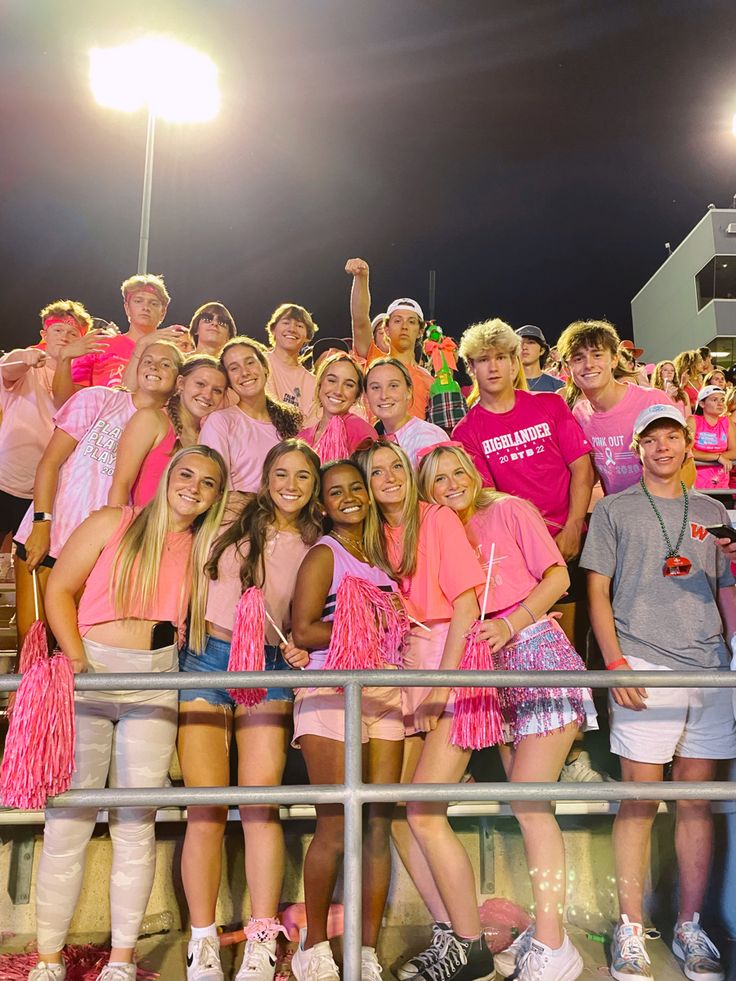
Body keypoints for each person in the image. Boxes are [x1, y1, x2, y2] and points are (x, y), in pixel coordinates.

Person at [26, 445, 227, 981]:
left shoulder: (205, 547)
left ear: (216, 497)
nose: (194, 488)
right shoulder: (114, 521)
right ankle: (48, 958)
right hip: (90, 672)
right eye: (186, 474)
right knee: (68, 820)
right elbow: (60, 589)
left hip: (155, 680)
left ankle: (121, 960)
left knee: (136, 825)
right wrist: (75, 659)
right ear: (166, 475)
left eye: (209, 483)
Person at [417, 442, 596, 981]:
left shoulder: (509, 509)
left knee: (530, 803)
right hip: (490, 671)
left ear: (473, 472)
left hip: (535, 653)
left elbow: (560, 579)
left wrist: (511, 624)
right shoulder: (443, 532)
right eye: (437, 480)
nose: (451, 484)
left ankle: (554, 943)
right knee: (524, 804)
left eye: (457, 473)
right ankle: (544, 939)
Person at [581, 403, 736, 981]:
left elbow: (726, 589)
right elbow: (597, 591)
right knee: (638, 803)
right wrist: (617, 664)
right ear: (637, 447)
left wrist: (733, 652)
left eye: (673, 437)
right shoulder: (614, 509)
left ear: (688, 444)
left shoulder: (712, 509)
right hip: (644, 665)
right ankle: (628, 929)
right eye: (652, 438)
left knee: (695, 805)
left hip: (709, 667)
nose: (663, 447)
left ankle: (689, 926)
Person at [178, 440, 322, 981]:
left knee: (261, 806)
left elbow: (310, 618)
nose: (290, 484)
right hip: (207, 658)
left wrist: (300, 649)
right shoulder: (230, 514)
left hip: (269, 667)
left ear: (313, 487)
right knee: (207, 807)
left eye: (303, 477)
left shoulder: (316, 541)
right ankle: (202, 941)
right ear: (264, 477)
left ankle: (262, 938)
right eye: (281, 473)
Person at [353, 440, 493, 981]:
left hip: (444, 660)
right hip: (402, 664)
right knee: (399, 816)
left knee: (425, 813)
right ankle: (451, 931)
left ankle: (473, 946)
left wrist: (442, 685)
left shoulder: (435, 517)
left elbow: (464, 605)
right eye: (375, 472)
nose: (388, 477)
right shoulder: (372, 535)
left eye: (395, 467)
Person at [287, 459, 406, 981]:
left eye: (357, 488)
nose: (350, 497)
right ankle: (313, 947)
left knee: (378, 825)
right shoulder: (323, 554)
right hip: (333, 689)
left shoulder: (382, 560)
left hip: (384, 693)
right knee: (334, 825)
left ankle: (366, 950)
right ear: (324, 504)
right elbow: (303, 630)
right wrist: (358, 629)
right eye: (337, 492)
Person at [13, 341, 183, 642]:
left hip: (98, 554)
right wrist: (42, 523)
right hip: (52, 536)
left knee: (72, 650)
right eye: (149, 359)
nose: (155, 367)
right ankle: (22, 692)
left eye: (166, 363)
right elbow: (49, 463)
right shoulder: (97, 399)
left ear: (178, 381)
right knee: (33, 644)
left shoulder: (170, 433)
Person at [0, 300, 94, 543]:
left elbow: (69, 408)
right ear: (44, 334)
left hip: (45, 491)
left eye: (73, 333)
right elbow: (8, 369)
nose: (65, 336)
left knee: (25, 560)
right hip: (4, 481)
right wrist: (26, 356)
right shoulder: (27, 365)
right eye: (58, 330)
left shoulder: (84, 383)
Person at [556, 319, 682, 497]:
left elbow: (686, 464)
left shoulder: (652, 400)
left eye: (597, 355)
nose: (589, 364)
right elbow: (589, 474)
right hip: (617, 517)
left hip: (661, 514)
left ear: (614, 359)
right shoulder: (580, 414)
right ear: (567, 369)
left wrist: (670, 510)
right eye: (578, 358)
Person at [109, 356, 228, 507]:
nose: (207, 395)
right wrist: (117, 527)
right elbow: (121, 484)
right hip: (142, 526)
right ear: (181, 383)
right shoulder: (151, 419)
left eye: (217, 391)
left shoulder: (209, 437)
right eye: (200, 384)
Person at [200, 337, 302, 503]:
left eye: (250, 363)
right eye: (234, 368)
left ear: (264, 368)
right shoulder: (220, 422)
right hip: (238, 523)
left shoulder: (290, 420)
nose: (245, 372)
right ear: (228, 382)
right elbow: (216, 487)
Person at [52, 274, 179, 404]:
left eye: (153, 303)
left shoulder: (174, 355)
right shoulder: (98, 346)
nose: (145, 307)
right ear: (127, 308)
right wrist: (64, 358)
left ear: (163, 312)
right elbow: (66, 403)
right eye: (138, 301)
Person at [346, 258, 433, 419]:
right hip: (375, 443)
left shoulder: (429, 381)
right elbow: (359, 321)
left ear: (420, 331)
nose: (404, 326)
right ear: (386, 329)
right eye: (397, 321)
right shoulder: (373, 359)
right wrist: (361, 278)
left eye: (411, 321)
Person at [364, 359, 446, 467]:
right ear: (366, 396)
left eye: (393, 386)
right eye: (375, 387)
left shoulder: (428, 437)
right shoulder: (371, 438)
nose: (384, 395)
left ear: (409, 391)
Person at [297, 352, 377, 461]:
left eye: (348, 385)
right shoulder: (302, 438)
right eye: (332, 380)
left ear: (357, 395)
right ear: (320, 384)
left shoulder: (362, 432)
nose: (338, 391)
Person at [264, 303, 319, 423]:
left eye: (299, 325)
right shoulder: (258, 364)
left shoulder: (313, 382)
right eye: (285, 323)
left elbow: (310, 426)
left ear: (307, 336)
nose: (292, 329)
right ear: (273, 329)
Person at [688, 385, 736, 490]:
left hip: (722, 485)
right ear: (702, 404)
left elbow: (734, 451)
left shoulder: (727, 421)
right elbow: (688, 451)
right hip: (696, 485)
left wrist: (711, 456)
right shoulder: (693, 421)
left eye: (722, 400)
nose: (720, 403)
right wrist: (718, 457)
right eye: (714, 400)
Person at [515, 325, 564, 393]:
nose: (524, 347)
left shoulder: (558, 386)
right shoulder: (503, 384)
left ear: (542, 350)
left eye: (531, 342)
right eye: (519, 343)